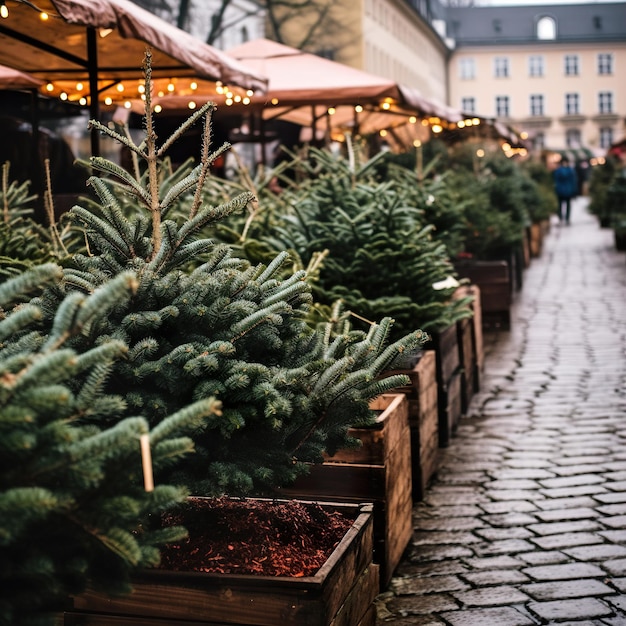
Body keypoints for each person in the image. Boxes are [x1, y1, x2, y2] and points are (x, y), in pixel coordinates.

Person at [552, 157, 578, 225]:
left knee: (560, 205)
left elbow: (556, 180)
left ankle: (561, 218)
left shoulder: (558, 171)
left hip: (560, 190)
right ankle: (567, 219)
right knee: (568, 205)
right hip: (568, 190)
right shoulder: (571, 171)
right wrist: (574, 190)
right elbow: (573, 181)